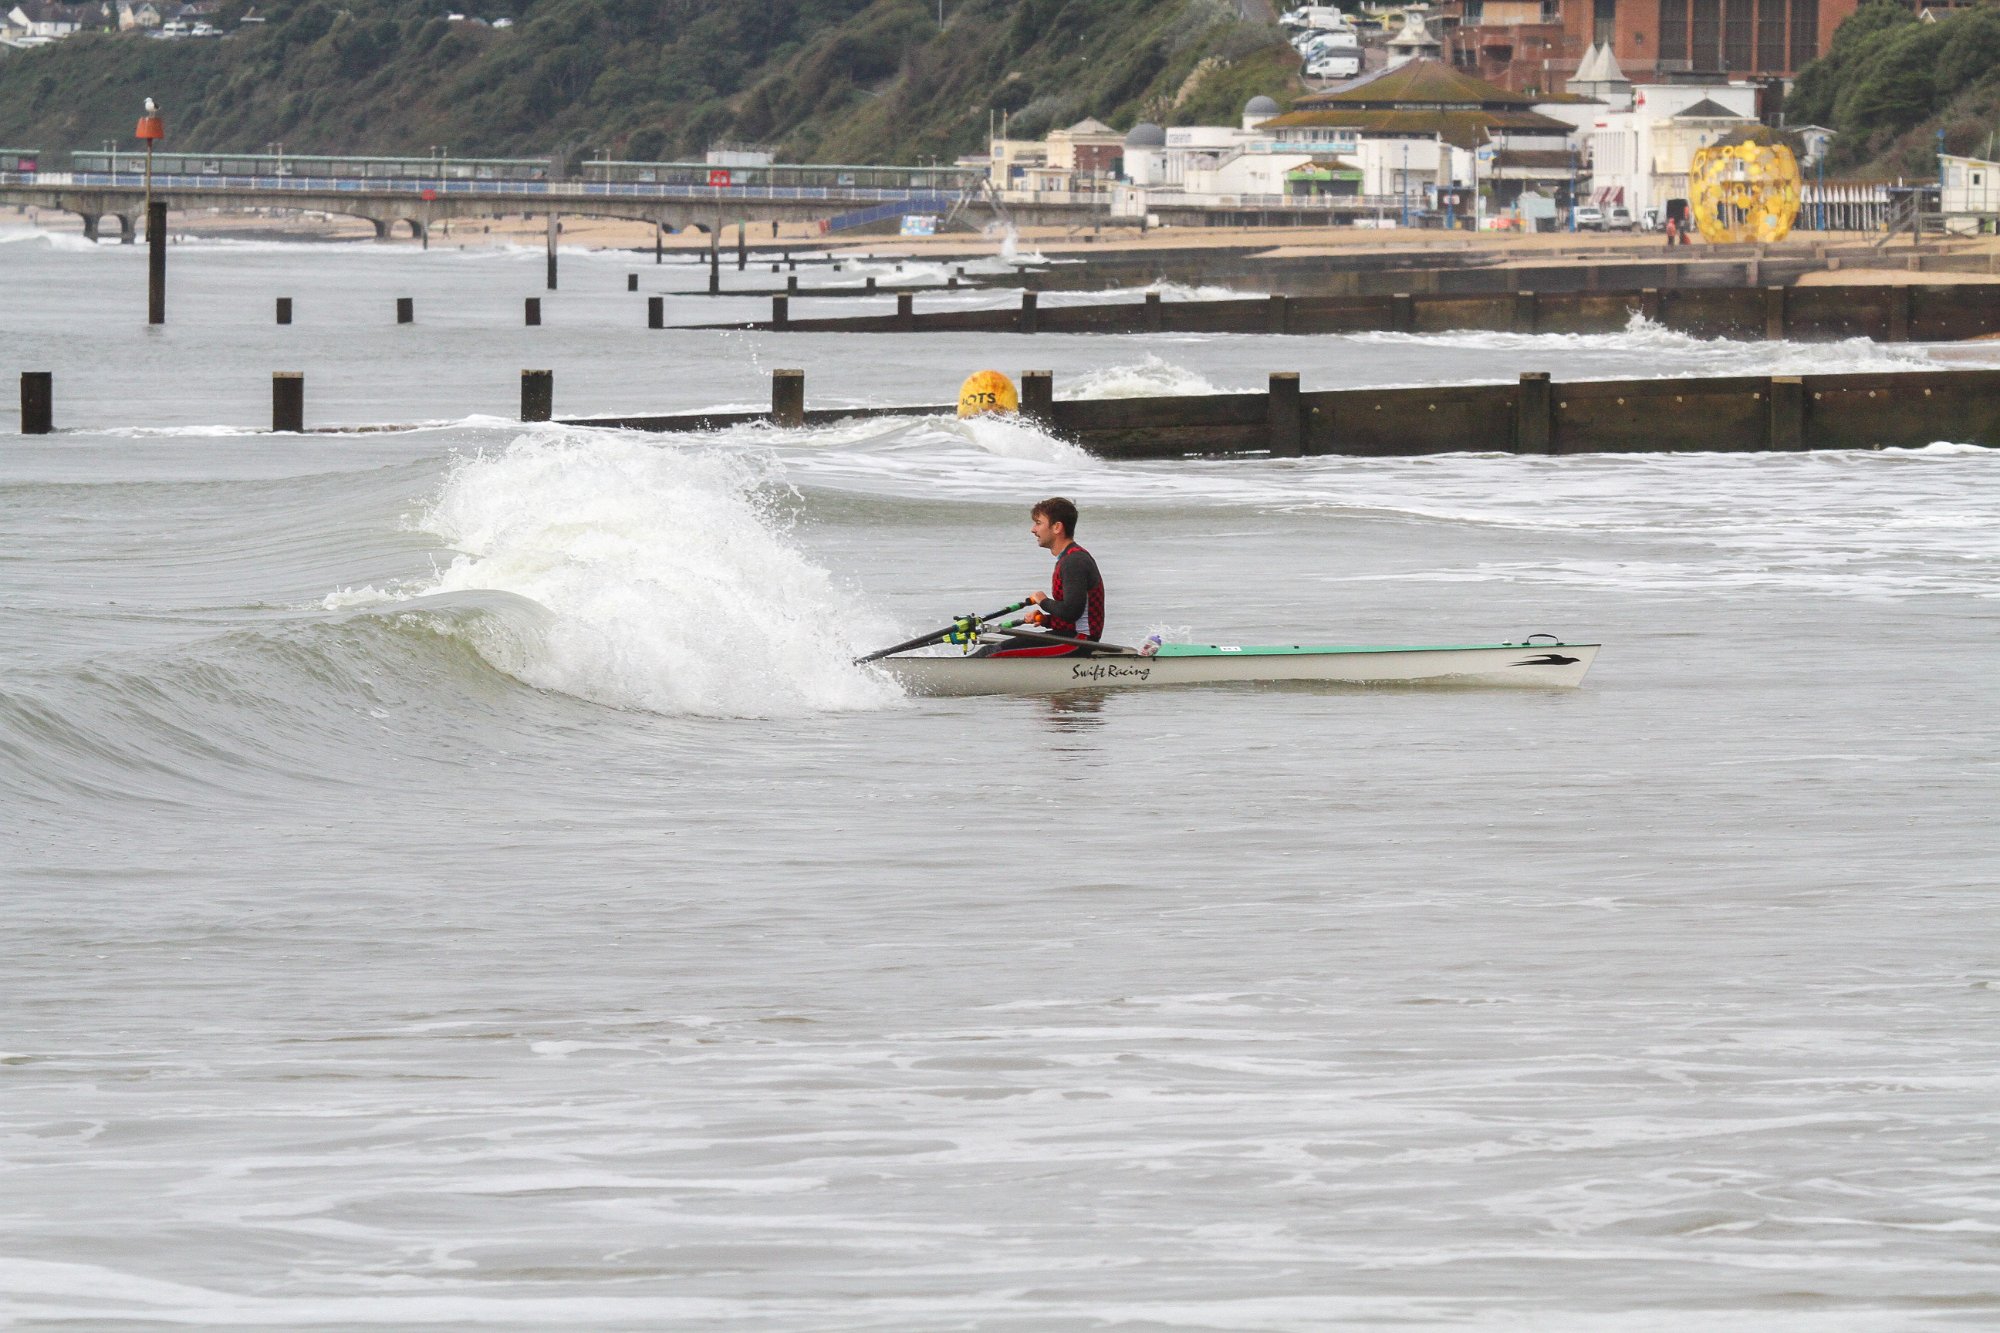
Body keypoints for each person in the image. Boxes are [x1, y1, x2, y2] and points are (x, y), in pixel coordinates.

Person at [978, 497, 1104, 657]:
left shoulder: (1074, 561)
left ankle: (951, 680)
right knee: (994, 649)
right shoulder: (1070, 558)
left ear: (1057, 527)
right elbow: (1075, 615)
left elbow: (1072, 612)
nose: (1033, 529)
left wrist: (1043, 600)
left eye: (1038, 523)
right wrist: (1046, 620)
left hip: (1080, 642)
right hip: (1073, 637)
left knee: (992, 653)